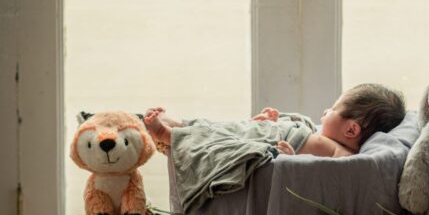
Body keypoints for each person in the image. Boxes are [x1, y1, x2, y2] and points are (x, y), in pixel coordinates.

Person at [143, 83, 406, 159]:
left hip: (264, 144)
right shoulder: (323, 136)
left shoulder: (339, 149)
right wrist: (273, 121)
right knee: (223, 127)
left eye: (334, 109)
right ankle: (180, 125)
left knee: (221, 139)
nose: (325, 112)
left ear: (351, 129)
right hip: (264, 133)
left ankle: (170, 135)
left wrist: (293, 158)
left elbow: (336, 171)